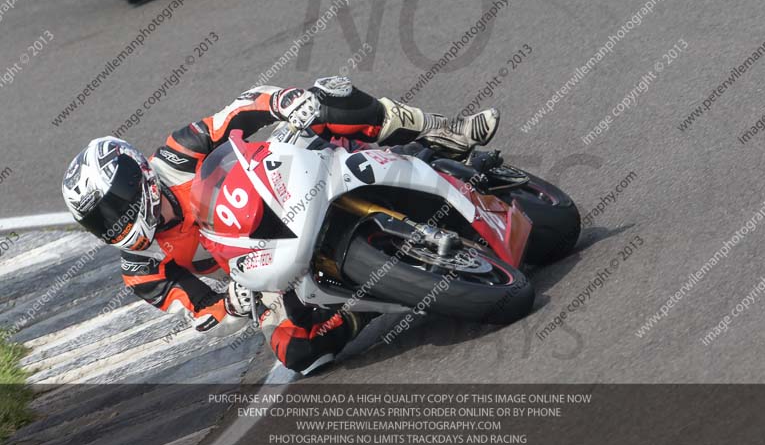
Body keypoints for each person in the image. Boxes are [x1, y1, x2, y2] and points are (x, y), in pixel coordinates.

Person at [61, 76, 499, 374]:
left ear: (137, 175)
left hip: (283, 180)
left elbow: (238, 111)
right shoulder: (142, 269)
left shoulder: (178, 154)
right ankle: (371, 302)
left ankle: (445, 130)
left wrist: (282, 101)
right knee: (297, 351)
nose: (116, 222)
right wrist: (230, 304)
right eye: (101, 221)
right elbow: (199, 312)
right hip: (259, 263)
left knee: (331, 97)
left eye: (115, 205)